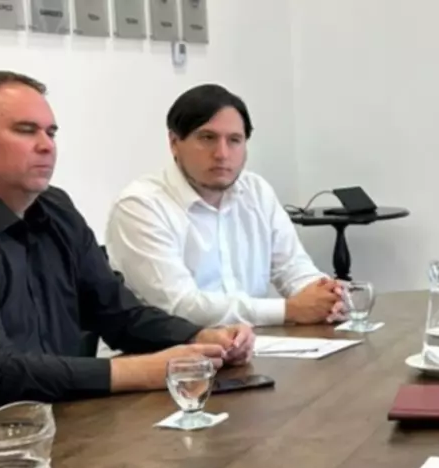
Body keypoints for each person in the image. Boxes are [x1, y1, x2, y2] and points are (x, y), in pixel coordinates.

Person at [0, 71, 252, 449]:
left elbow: (118, 314)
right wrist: (141, 370)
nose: (46, 145)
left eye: (51, 132)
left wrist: (198, 337)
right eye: (25, 130)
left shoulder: (54, 209)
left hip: (39, 430)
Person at [105, 84, 343, 327]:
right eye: (207, 138)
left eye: (234, 140)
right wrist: (289, 310)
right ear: (174, 142)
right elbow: (180, 306)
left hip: (252, 343)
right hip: (168, 348)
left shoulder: (256, 191)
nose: (222, 153)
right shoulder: (140, 206)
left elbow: (293, 268)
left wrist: (327, 296)